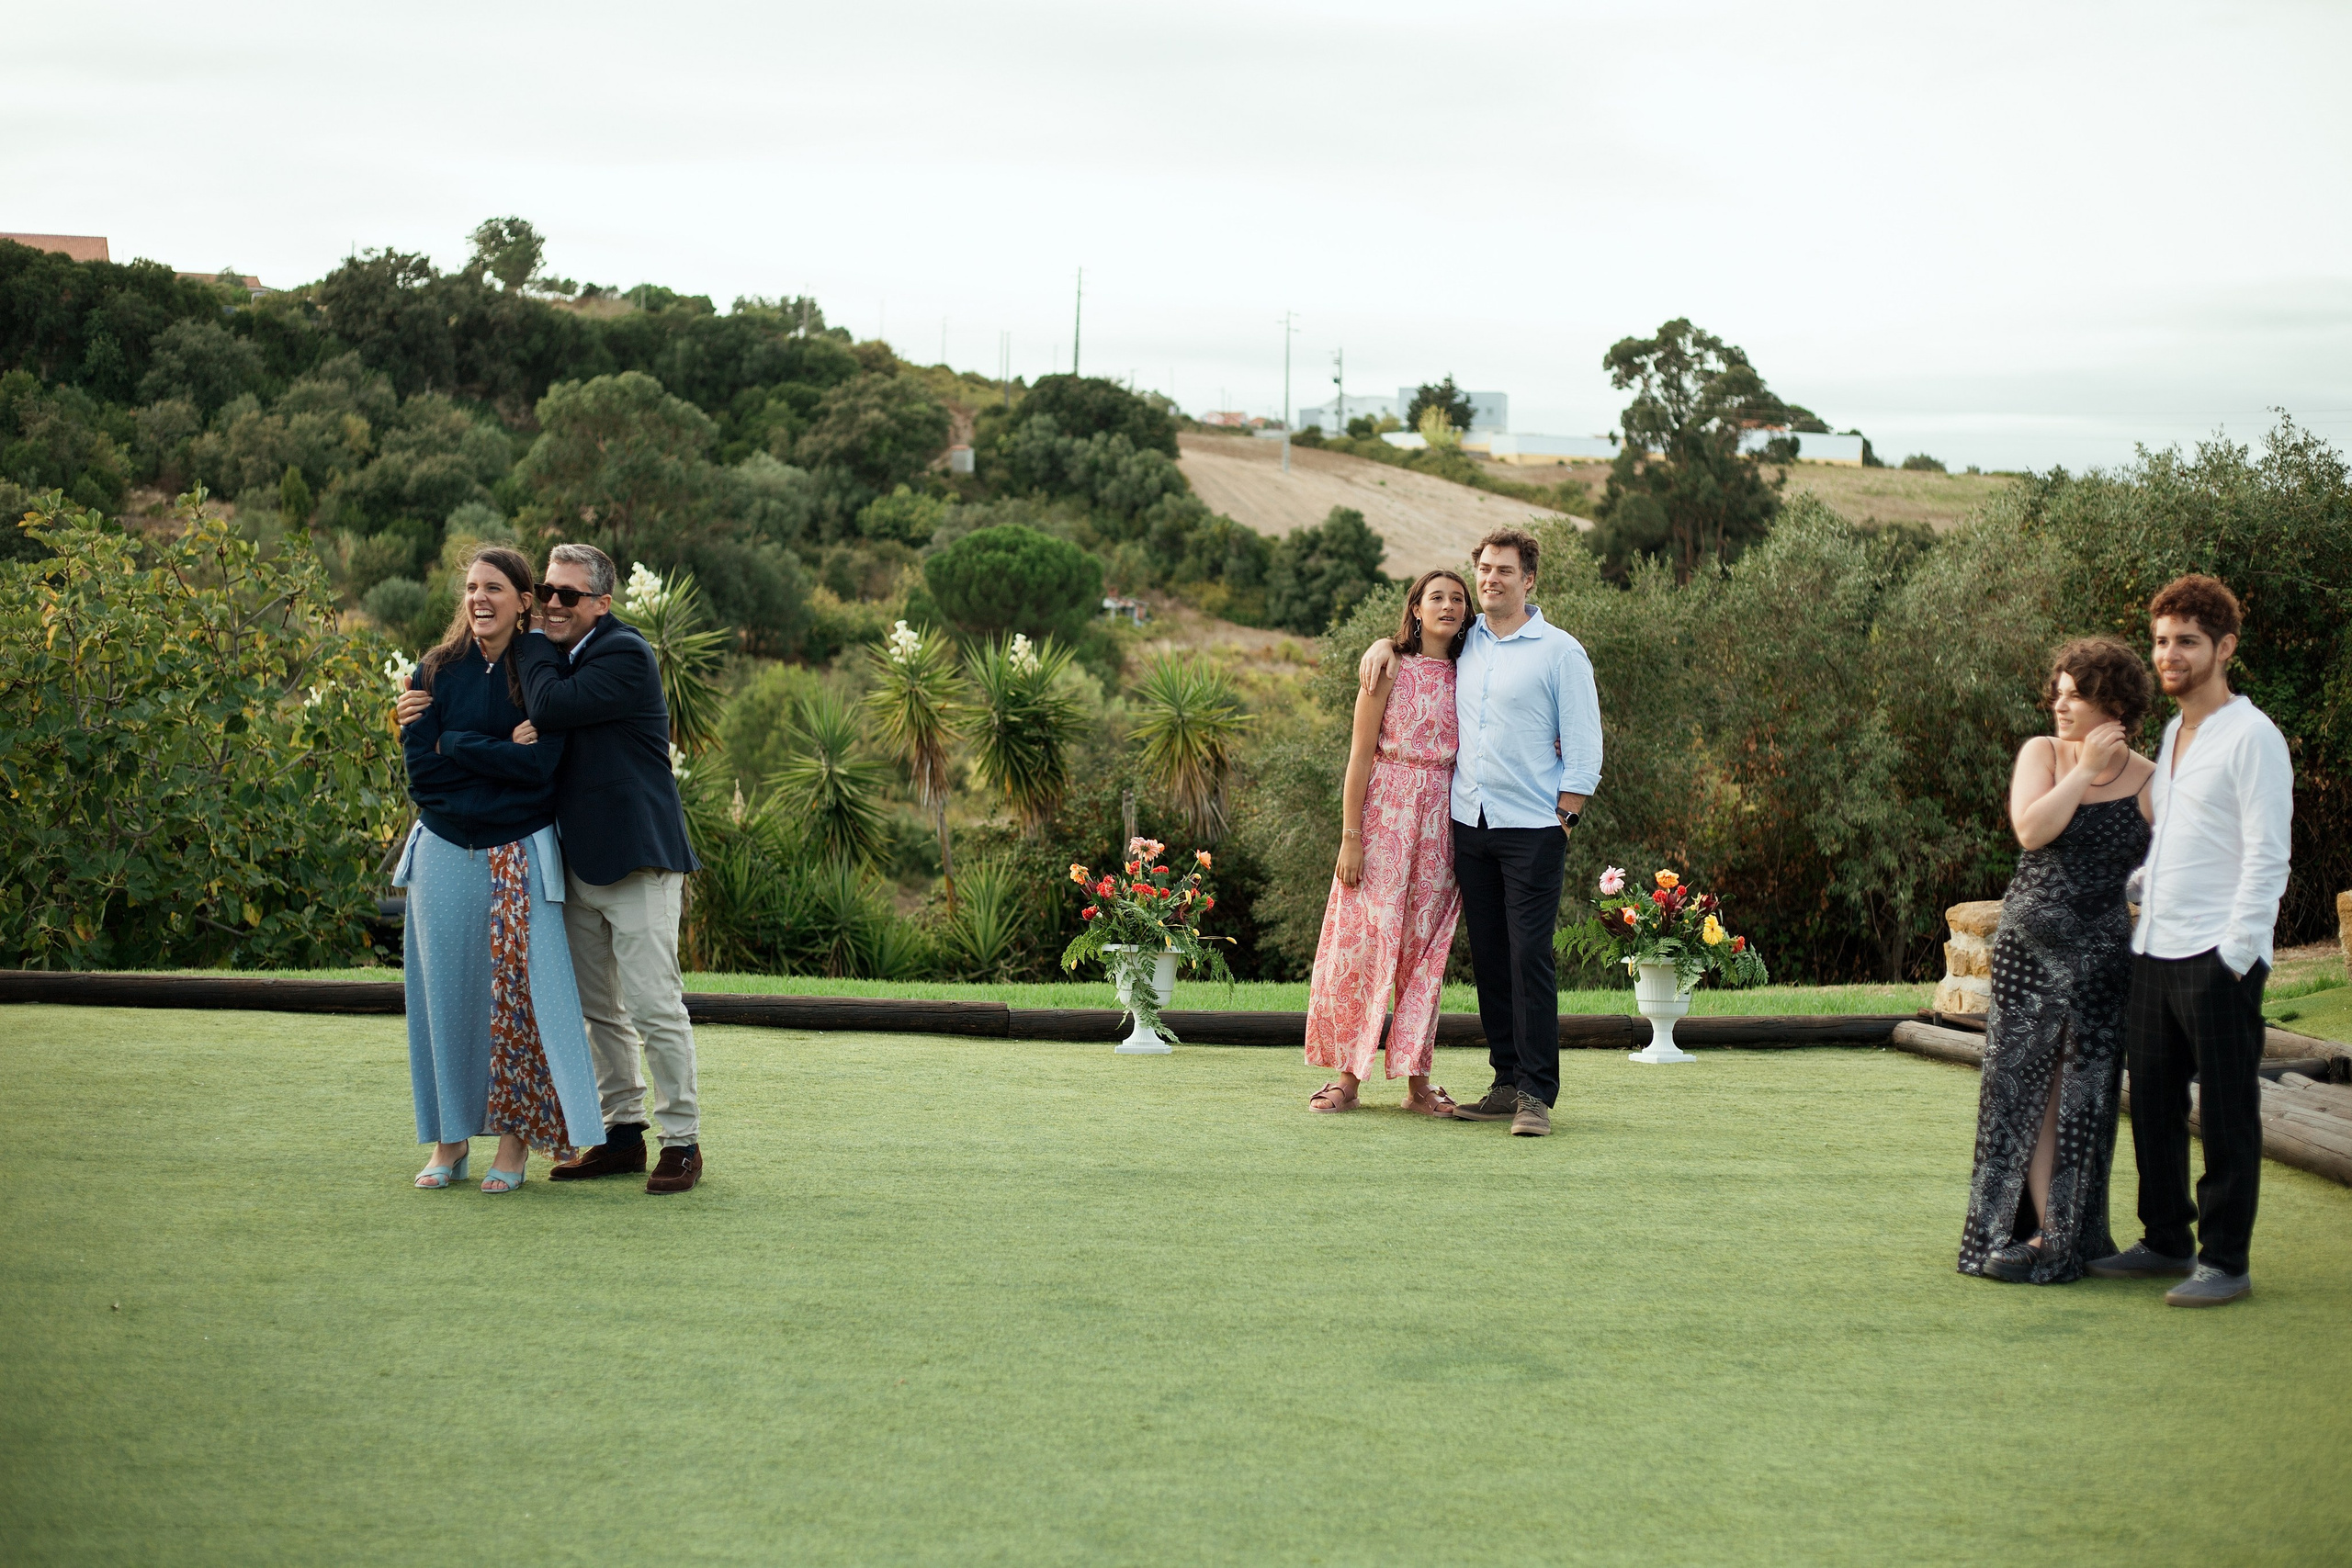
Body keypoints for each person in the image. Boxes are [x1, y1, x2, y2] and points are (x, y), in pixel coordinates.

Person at [1357, 527, 1602, 1137]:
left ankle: (1535, 1095)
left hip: (1534, 830)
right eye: (1485, 569)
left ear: (1530, 580)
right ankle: (1502, 1082)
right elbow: (1417, 643)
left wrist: (1564, 819)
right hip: (1469, 825)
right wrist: (1382, 644)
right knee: (1491, 959)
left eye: (1504, 570)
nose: (1490, 579)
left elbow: (1586, 749)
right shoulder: (1467, 645)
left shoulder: (1561, 651)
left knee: (1529, 958)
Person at [2089, 575, 2292, 1307]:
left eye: (2187, 642)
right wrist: (2137, 885)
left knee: (2229, 1112)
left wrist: (2235, 957)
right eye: (2161, 640)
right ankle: (2166, 1238)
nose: (2168, 655)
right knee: (2152, 1106)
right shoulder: (2176, 732)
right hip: (2157, 950)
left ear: (2224, 647)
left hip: (2219, 957)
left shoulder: (2254, 736)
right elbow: (2180, 837)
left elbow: (2268, 855)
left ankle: (2225, 1261)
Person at [490, 543, 710, 1194]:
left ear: (602, 604)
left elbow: (552, 709)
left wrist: (528, 638)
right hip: (578, 862)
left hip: (638, 860)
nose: (554, 603)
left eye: (568, 596)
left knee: (652, 1005)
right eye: (547, 591)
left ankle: (682, 1141)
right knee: (599, 1011)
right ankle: (622, 1137)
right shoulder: (560, 658)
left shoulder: (624, 652)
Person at [393, 547, 605, 1193]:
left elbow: (540, 773)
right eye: (470, 587)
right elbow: (422, 776)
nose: (478, 598)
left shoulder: (541, 671)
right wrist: (486, 751)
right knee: (444, 999)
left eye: (493, 588)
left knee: (520, 1003)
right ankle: (448, 1142)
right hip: (442, 850)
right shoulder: (434, 670)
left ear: (523, 601)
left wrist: (452, 744)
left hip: (518, 852)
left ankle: (513, 1146)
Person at [1958, 638, 2153, 1283]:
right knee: (2022, 1091)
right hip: (2027, 951)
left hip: (2101, 959)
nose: (2060, 704)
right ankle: (2038, 1231)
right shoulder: (2041, 752)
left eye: (2077, 693)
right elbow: (2031, 829)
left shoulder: (2152, 781)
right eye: (2058, 692)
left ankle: (2068, 1233)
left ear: (2115, 703)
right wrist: (2082, 768)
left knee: (2083, 1096)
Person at [1304, 570, 1472, 1116]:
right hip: (1383, 818)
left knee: (1425, 954)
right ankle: (1348, 1077)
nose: (1448, 606)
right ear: (1416, 608)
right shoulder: (1388, 666)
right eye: (1436, 598)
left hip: (1443, 823)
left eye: (1457, 598)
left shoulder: (1474, 669)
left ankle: (1418, 1084)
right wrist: (1350, 836)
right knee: (1364, 944)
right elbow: (1358, 756)